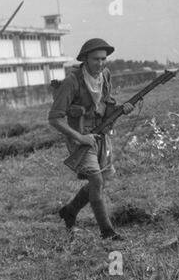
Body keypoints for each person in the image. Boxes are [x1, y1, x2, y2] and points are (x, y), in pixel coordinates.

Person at [48, 38, 132, 241]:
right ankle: (107, 231)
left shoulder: (105, 75)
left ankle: (69, 211)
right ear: (85, 59)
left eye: (104, 59)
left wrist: (122, 108)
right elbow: (54, 118)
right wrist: (80, 137)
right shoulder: (72, 81)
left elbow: (106, 102)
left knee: (102, 180)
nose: (101, 63)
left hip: (100, 134)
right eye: (96, 59)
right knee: (96, 179)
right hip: (80, 136)